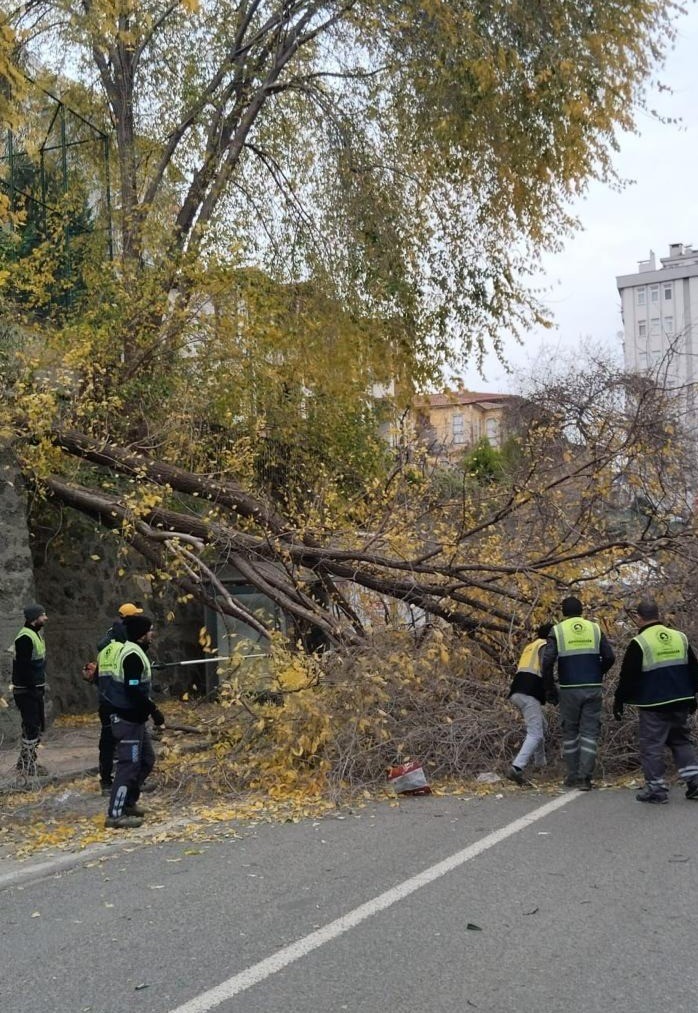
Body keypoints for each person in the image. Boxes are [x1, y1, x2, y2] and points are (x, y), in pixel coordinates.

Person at [613, 599, 698, 804]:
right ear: (658, 614)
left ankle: (656, 789)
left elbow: (628, 676)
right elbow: (694, 669)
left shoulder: (640, 642)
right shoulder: (680, 637)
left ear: (639, 618)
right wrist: (693, 696)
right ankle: (695, 782)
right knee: (681, 741)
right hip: (680, 700)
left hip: (654, 703)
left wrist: (620, 700)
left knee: (652, 746)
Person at [542, 595, 615, 790]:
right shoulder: (594, 629)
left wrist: (549, 688)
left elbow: (547, 661)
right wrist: (598, 672)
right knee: (590, 732)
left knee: (570, 732)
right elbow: (609, 656)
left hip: (569, 689)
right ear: (581, 611)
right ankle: (586, 778)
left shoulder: (557, 631)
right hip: (593, 688)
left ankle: (573, 775)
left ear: (563, 613)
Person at [101, 614, 165, 829]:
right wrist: (154, 710)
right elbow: (133, 688)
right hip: (127, 719)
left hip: (135, 719)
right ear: (141, 633)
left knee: (147, 760)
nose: (152, 634)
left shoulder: (135, 651)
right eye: (150, 630)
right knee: (128, 766)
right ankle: (115, 814)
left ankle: (129, 802)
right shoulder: (132, 656)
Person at [85, 602, 144, 795]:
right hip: (119, 701)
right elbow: (126, 674)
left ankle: (110, 782)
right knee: (124, 742)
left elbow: (102, 674)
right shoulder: (122, 647)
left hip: (107, 700)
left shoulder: (105, 648)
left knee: (110, 741)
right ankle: (122, 784)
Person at [506, 621, 554, 785]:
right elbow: (546, 667)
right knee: (535, 733)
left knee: (542, 726)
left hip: (517, 691)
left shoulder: (531, 646)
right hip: (529, 693)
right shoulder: (545, 646)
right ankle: (517, 768)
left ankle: (541, 764)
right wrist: (552, 689)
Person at [12, 604, 49, 778]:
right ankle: (27, 764)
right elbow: (23, 667)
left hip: (33, 689)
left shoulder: (35, 634)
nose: (45, 618)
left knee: (35, 726)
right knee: (31, 727)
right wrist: (33, 688)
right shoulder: (25, 638)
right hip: (26, 691)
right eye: (43, 615)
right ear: (35, 618)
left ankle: (25, 761)